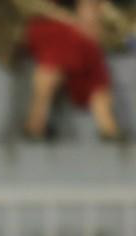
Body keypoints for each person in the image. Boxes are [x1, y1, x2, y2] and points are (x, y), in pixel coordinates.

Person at [18, 0, 127, 141]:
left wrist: (90, 25)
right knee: (75, 47)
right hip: (39, 23)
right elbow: (29, 6)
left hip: (72, 29)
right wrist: (73, 21)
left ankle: (35, 122)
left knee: (85, 47)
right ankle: (106, 122)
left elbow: (91, 8)